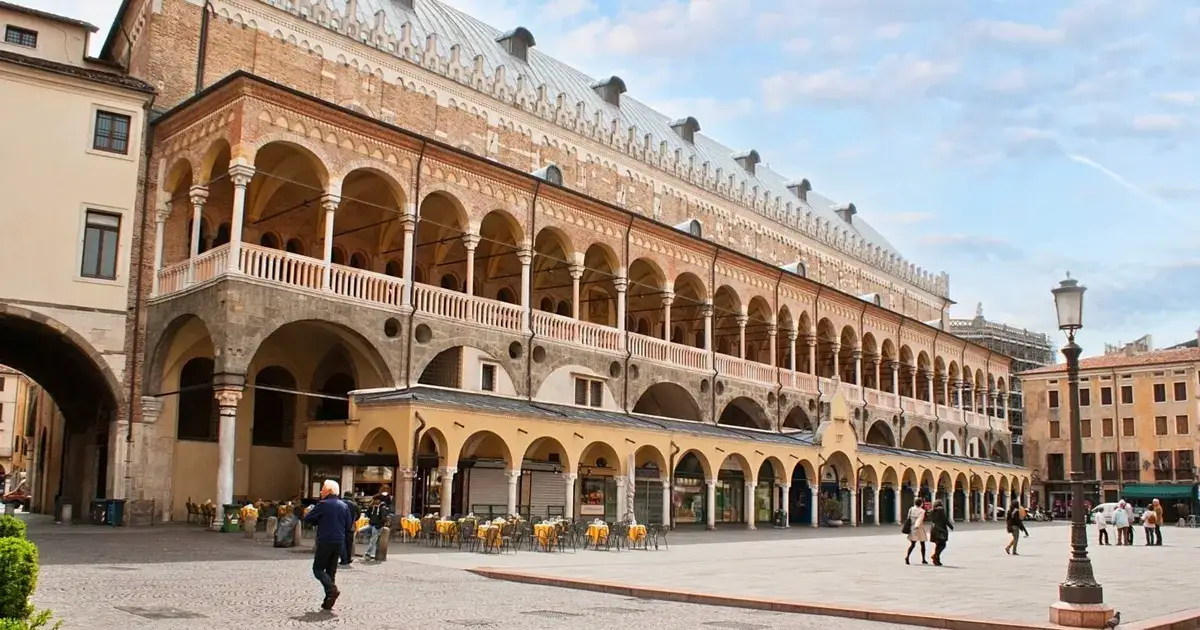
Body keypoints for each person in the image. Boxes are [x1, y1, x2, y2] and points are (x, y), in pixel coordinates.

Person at [304, 479, 352, 611]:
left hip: (325, 540)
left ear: (329, 491)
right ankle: (329, 600)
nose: (321, 491)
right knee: (331, 571)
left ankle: (331, 589)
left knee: (318, 569)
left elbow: (308, 519)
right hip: (339, 541)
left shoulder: (323, 504)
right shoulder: (344, 506)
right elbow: (348, 525)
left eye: (323, 488)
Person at [364, 493, 392, 561]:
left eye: (376, 500)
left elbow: (383, 518)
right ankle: (370, 551)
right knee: (361, 531)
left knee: (373, 540)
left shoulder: (382, 508)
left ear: (379, 500)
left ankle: (368, 554)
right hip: (371, 524)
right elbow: (368, 514)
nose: (374, 501)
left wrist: (379, 525)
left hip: (377, 526)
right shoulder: (373, 506)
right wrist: (370, 508)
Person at [928, 499, 953, 566]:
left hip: (933, 530)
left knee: (938, 545)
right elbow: (945, 519)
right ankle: (935, 555)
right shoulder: (941, 510)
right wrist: (950, 526)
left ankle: (937, 560)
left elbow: (931, 519)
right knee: (943, 545)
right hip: (940, 530)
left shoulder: (931, 511)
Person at [903, 500, 928, 565]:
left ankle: (907, 557)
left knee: (913, 544)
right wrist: (917, 526)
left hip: (911, 527)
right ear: (921, 504)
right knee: (922, 544)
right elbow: (919, 519)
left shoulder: (911, 509)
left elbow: (908, 517)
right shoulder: (922, 511)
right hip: (918, 528)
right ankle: (923, 559)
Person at [340, 492, 361, 565]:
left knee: (342, 543)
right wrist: (353, 520)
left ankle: (343, 559)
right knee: (349, 543)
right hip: (350, 526)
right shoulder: (354, 504)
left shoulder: (340, 502)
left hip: (340, 526)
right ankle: (348, 558)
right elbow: (359, 515)